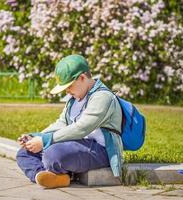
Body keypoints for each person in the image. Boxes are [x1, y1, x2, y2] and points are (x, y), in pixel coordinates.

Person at [16, 54, 123, 189]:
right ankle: (46, 175)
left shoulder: (103, 97)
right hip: (75, 144)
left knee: (53, 154)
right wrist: (36, 137)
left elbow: (82, 128)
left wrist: (44, 141)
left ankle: (55, 171)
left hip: (100, 151)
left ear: (82, 78)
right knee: (24, 153)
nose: (67, 91)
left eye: (69, 86)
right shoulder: (74, 99)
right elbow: (62, 123)